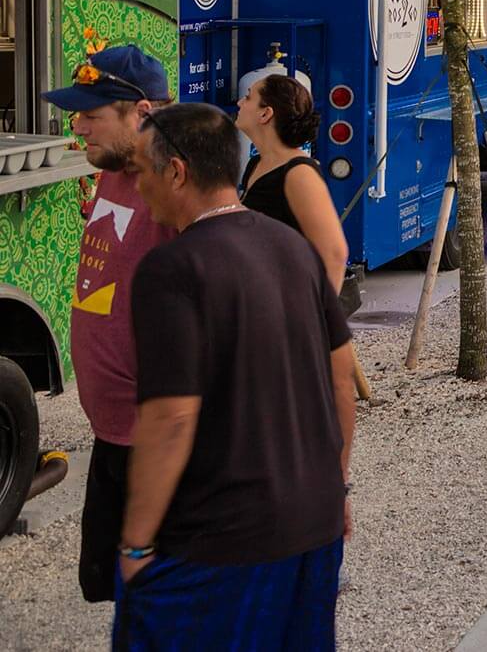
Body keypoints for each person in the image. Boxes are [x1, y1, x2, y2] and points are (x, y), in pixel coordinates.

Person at [118, 103, 355, 645]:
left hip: (219, 545)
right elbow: (342, 381)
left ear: (176, 172)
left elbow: (172, 416)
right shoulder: (294, 249)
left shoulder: (172, 268)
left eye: (141, 170)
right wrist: (336, 485)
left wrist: (135, 544)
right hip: (313, 525)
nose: (137, 186)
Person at [40, 46, 175, 605]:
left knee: (159, 597)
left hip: (154, 439)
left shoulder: (174, 188)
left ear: (140, 114)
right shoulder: (118, 171)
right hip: (112, 432)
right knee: (108, 587)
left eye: (92, 114)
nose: (77, 124)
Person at [236, 74, 347, 290]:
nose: (240, 102)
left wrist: (322, 316)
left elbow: (334, 254)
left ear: (265, 114)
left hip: (291, 302)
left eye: (248, 98)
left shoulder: (299, 173)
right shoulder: (256, 164)